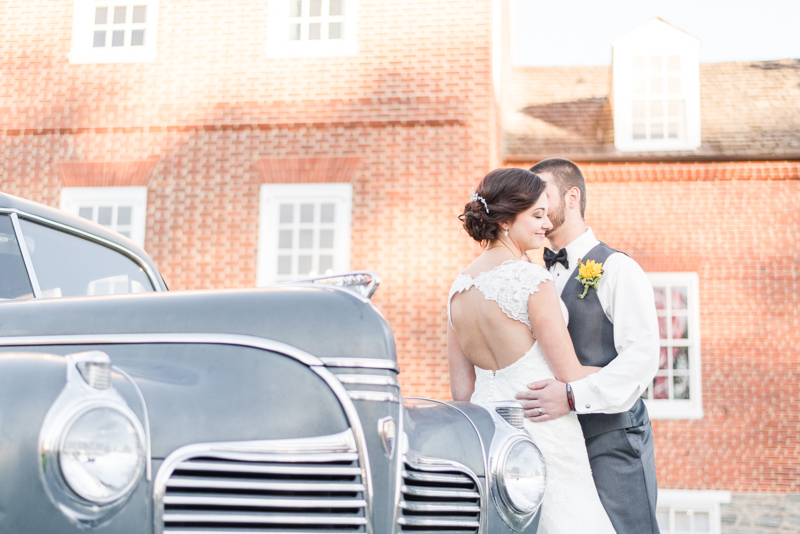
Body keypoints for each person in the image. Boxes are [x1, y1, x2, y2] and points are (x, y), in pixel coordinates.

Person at [447, 167, 616, 533]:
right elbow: (569, 373)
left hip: (489, 441)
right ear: (506, 221)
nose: (546, 224)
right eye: (537, 216)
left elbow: (462, 393)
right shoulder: (531, 280)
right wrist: (624, 374)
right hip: (542, 429)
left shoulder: (457, 290)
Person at [515, 158, 660, 534]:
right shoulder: (532, 277)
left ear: (572, 197)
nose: (535, 206)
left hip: (612, 438)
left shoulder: (618, 270)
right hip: (553, 442)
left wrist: (571, 394)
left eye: (541, 193)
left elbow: (642, 360)